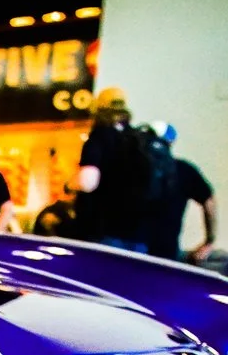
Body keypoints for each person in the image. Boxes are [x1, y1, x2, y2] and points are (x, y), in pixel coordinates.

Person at [75, 87, 158, 252]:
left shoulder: (98, 139)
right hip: (138, 235)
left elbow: (87, 182)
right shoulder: (137, 139)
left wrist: (70, 184)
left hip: (104, 233)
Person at [139, 124, 217, 261]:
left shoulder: (130, 166)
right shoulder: (183, 170)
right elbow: (208, 201)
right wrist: (209, 240)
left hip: (129, 246)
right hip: (165, 252)